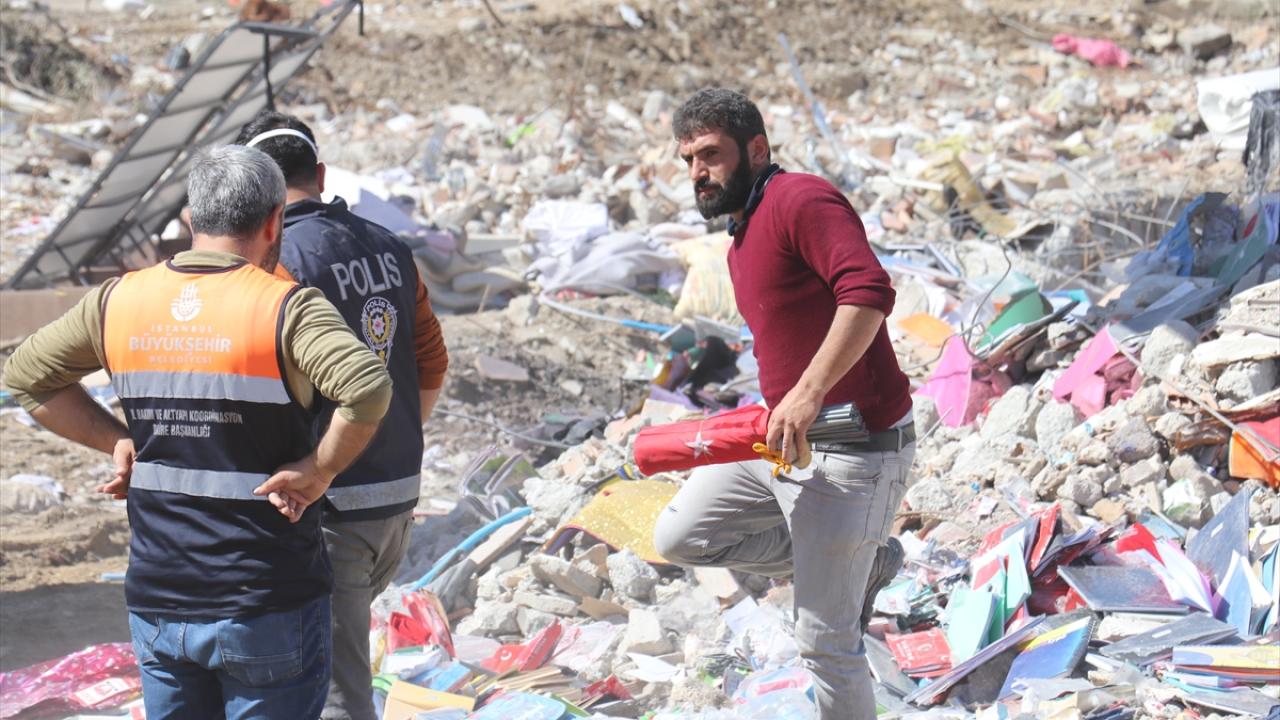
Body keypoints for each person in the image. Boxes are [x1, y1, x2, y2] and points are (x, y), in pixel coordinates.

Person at [2, 145, 394, 720]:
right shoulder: (285, 308)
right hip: (265, 602)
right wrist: (322, 468)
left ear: (190, 219)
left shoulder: (119, 300)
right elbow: (366, 387)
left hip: (160, 603)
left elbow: (26, 376)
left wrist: (116, 437)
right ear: (273, 221)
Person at [653, 88, 915, 720]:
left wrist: (807, 391)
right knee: (682, 535)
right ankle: (864, 561)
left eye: (711, 155)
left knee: (825, 643)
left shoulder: (801, 198)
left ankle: (847, 564)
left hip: (855, 449)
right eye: (688, 158)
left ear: (756, 148)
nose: (698, 172)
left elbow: (869, 294)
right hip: (785, 442)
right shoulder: (742, 237)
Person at [233, 110, 449, 720]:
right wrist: (384, 440)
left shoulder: (273, 268)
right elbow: (432, 363)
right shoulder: (389, 248)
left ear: (252, 191)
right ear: (321, 174)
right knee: (331, 667)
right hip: (396, 502)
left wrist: (333, 455)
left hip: (327, 507)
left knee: (334, 693)